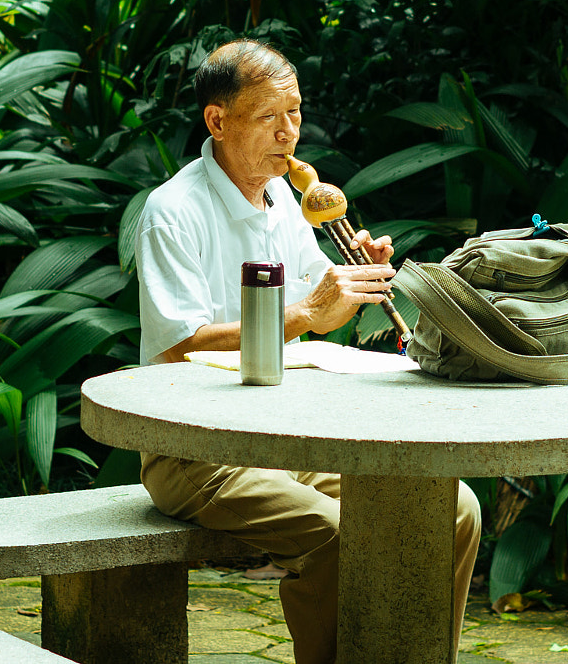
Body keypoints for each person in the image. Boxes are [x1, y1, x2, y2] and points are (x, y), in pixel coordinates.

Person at [135, 38, 481, 664]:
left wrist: (362, 284)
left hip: (288, 441)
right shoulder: (172, 212)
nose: (289, 132)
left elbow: (319, 313)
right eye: (270, 117)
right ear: (218, 120)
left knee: (453, 508)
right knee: (338, 537)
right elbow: (178, 345)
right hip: (197, 451)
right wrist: (306, 313)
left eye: (295, 113)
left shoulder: (285, 203)